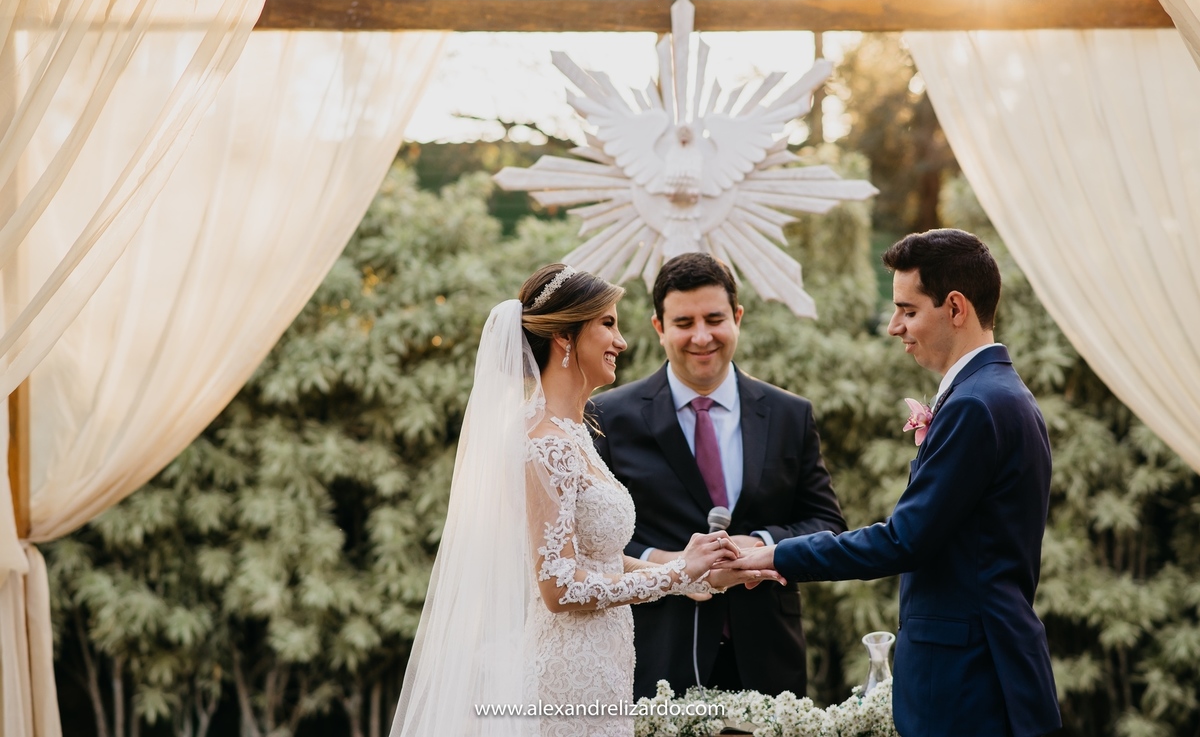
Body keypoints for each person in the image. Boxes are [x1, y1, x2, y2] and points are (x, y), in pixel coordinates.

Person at [390, 264, 778, 737]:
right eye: (608, 324)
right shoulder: (543, 443)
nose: (622, 342)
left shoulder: (574, 436)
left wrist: (695, 574)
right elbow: (558, 587)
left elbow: (601, 559)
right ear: (565, 338)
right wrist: (677, 572)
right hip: (568, 675)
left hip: (603, 667)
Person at [719, 229, 1062, 737]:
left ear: (955, 307)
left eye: (907, 309)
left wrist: (777, 554)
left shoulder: (974, 405)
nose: (892, 325)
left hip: (967, 680)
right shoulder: (1000, 394)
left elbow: (904, 540)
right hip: (986, 665)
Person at [590, 252, 846, 700]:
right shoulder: (609, 417)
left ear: (737, 317)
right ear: (658, 327)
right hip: (656, 655)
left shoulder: (790, 414)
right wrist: (668, 564)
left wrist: (763, 545)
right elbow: (592, 541)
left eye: (714, 318)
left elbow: (827, 524)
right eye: (684, 323)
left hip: (768, 659)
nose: (702, 336)